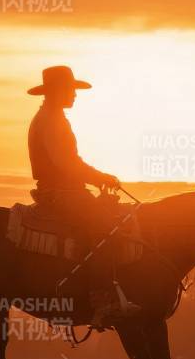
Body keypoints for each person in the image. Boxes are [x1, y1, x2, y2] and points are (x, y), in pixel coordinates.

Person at [26, 65, 136, 324]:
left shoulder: (52, 117)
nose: (74, 95)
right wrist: (100, 178)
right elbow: (67, 163)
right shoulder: (51, 120)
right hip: (61, 192)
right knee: (107, 228)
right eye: (70, 90)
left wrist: (97, 178)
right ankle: (101, 300)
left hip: (64, 190)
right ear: (57, 91)